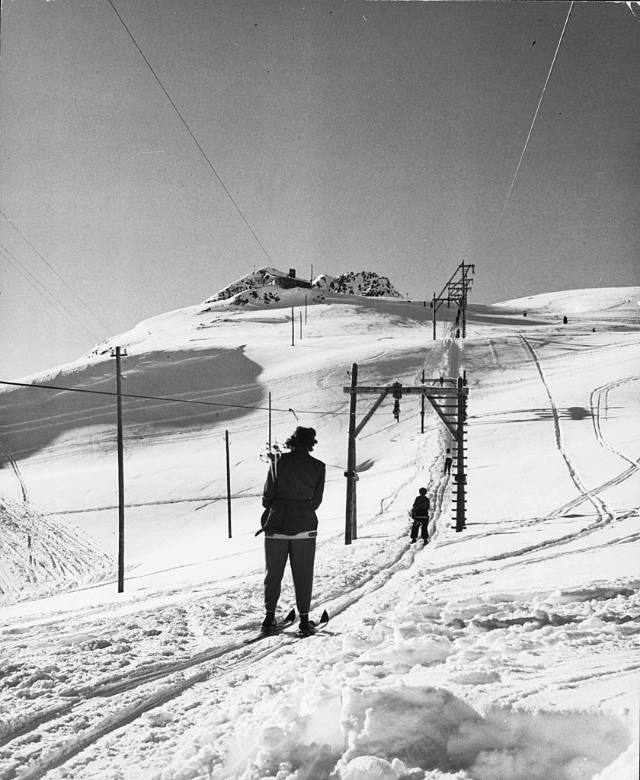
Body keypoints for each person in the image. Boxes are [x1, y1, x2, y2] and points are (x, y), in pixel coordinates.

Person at [260, 426, 325, 633]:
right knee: (303, 573)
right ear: (311, 444)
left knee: (273, 573)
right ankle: (304, 620)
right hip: (305, 526)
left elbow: (266, 498)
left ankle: (269, 617)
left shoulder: (277, 463)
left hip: (276, 525)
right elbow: (316, 501)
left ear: (291, 441)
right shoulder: (318, 467)